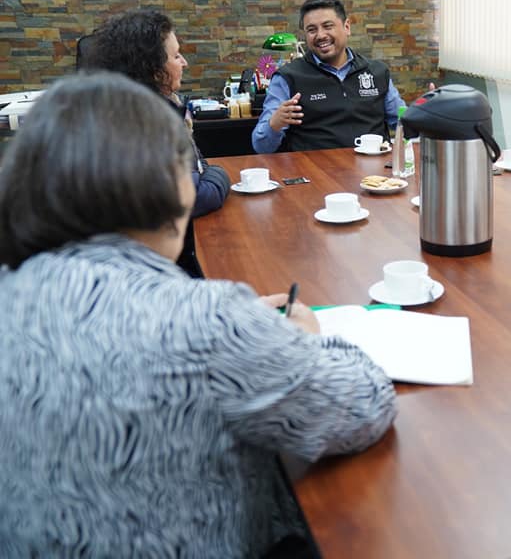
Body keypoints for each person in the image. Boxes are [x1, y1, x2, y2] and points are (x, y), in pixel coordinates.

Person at [0, 72, 398, 557]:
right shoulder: (206, 324)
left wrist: (239, 328)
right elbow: (362, 407)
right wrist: (306, 336)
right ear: (172, 185)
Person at [85, 9, 230, 276]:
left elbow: (197, 167)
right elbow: (194, 197)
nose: (184, 62)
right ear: (151, 68)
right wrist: (220, 174)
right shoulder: (143, 123)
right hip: (148, 271)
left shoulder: (156, 107)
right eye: (176, 56)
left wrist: (205, 172)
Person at [252, 0, 405, 153]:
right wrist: (274, 124)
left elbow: (404, 124)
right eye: (312, 30)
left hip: (374, 173)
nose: (321, 35)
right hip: (315, 172)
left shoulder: (377, 72)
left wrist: (428, 113)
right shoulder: (288, 77)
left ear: (347, 27)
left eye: (328, 26)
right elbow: (261, 147)